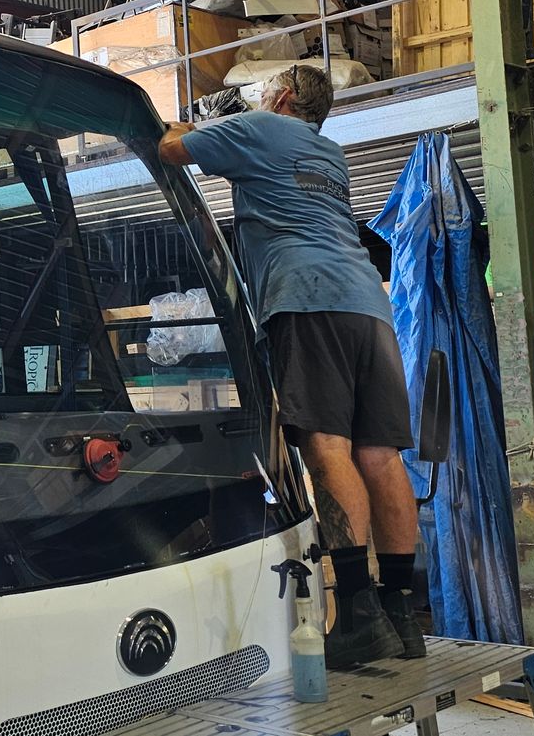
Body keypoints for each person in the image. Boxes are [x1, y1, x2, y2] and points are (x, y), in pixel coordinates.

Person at [158, 64, 424, 668]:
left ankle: (357, 611)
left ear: (280, 98)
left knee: (325, 448)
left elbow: (170, 148)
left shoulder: (259, 127)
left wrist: (204, 119)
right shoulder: (330, 154)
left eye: (260, 90)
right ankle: (400, 611)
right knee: (380, 456)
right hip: (369, 306)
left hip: (306, 300)